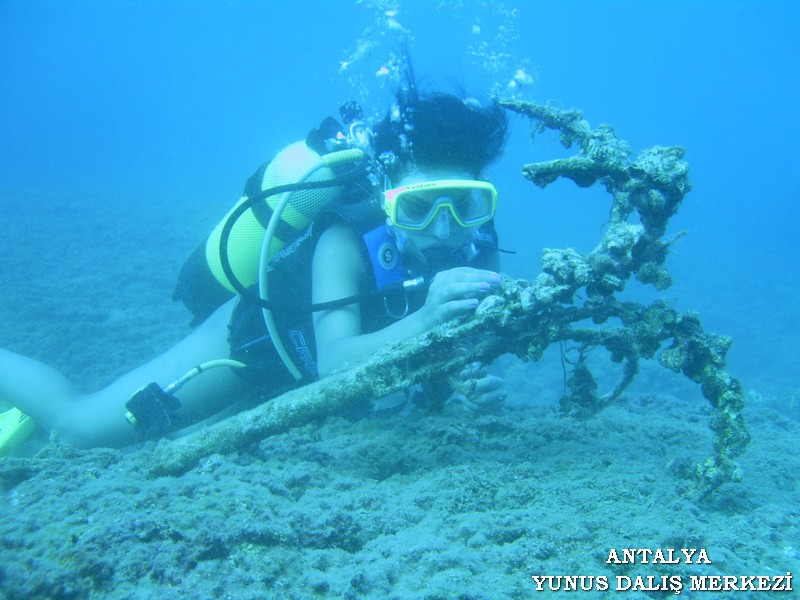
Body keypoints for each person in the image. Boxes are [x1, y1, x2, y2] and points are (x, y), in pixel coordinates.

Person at [0, 84, 509, 450]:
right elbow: (335, 362)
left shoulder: (478, 242)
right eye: (418, 207)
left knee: (185, 441)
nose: (445, 229)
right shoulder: (345, 241)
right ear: (387, 195)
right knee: (78, 429)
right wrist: (426, 320)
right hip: (249, 345)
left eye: (466, 204)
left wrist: (467, 387)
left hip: (297, 384)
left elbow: (457, 343)